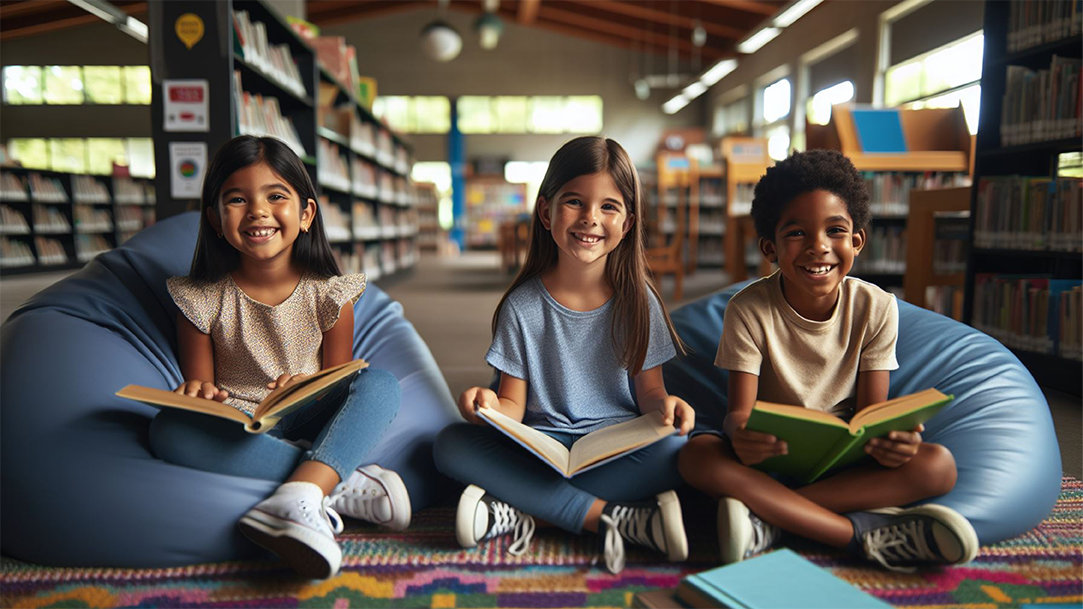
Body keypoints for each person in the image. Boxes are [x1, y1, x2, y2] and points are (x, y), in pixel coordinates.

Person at [678, 149, 979, 572]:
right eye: (797, 233)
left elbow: (873, 415)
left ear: (857, 240)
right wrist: (741, 432)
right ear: (771, 247)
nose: (819, 247)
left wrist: (895, 441)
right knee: (696, 455)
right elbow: (737, 415)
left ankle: (768, 521)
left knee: (937, 466)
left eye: (835, 231)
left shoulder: (877, 307)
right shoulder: (747, 309)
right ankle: (856, 536)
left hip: (843, 463)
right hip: (769, 458)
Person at [148, 135, 410, 580]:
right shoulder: (199, 298)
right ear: (214, 218)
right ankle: (329, 482)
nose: (257, 212)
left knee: (379, 384)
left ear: (306, 214)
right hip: (242, 421)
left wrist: (306, 386)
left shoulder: (329, 294)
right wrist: (200, 393)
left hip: (308, 412)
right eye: (237, 199)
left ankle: (305, 485)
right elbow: (202, 385)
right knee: (167, 431)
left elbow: (339, 381)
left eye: (276, 196)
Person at [433, 136, 695, 574]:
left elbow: (651, 393)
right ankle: (612, 518)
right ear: (546, 211)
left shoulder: (639, 301)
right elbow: (513, 404)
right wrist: (490, 406)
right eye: (574, 202)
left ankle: (521, 509)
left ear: (628, 223)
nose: (591, 218)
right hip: (541, 448)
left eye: (609, 207)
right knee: (448, 444)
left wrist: (665, 408)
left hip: (617, 449)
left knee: (685, 448)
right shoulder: (522, 306)